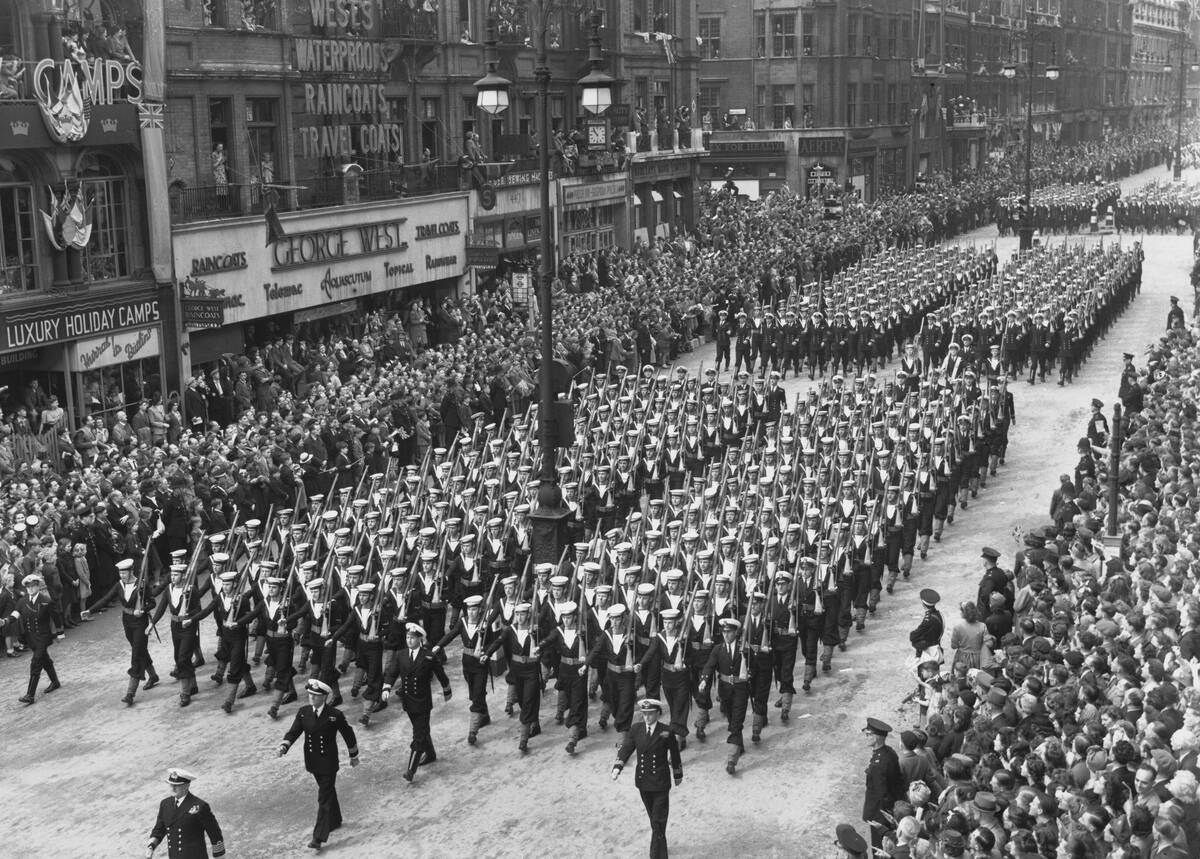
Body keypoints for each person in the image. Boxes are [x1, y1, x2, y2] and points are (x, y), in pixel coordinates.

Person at [277, 678, 360, 851]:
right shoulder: (303, 712)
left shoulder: (334, 715)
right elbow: (294, 732)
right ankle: (335, 820)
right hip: (313, 761)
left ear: (324, 697)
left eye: (315, 695)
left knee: (323, 797)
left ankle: (318, 837)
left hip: (328, 762)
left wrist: (353, 755)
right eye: (310, 695)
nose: (312, 698)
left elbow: (348, 733)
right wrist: (284, 745)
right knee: (327, 793)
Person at [612, 698, 683, 859]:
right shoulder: (636, 729)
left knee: (658, 821)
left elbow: (675, 752)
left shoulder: (666, 731)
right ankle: (659, 844)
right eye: (644, 714)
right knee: (655, 820)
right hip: (643, 783)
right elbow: (627, 748)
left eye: (650, 714)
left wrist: (677, 773)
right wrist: (618, 766)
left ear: (658, 713)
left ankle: (658, 855)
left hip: (660, 783)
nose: (647, 717)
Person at [381, 621, 451, 782]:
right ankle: (431, 754)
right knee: (421, 729)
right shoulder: (401, 655)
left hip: (422, 701)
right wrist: (386, 688)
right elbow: (392, 672)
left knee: (418, 735)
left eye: (413, 638)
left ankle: (410, 770)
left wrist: (446, 689)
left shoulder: (428, 656)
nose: (409, 640)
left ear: (420, 639)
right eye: (407, 637)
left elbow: (440, 673)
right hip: (408, 700)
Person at [145, 768, 225, 859]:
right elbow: (159, 830)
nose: (173, 788)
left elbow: (215, 834)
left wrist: (220, 856)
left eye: (177, 785)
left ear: (186, 786)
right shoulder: (165, 804)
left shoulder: (200, 806)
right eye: (171, 784)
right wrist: (151, 846)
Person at [11, 572, 60, 704]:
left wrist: (60, 632)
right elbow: (16, 613)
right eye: (28, 587)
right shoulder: (23, 601)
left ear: (38, 586)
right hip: (30, 637)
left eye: (33, 586)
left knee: (36, 663)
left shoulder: (46, 600)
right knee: (45, 660)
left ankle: (30, 695)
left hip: (43, 636)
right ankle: (55, 682)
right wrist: (5, 621)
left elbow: (56, 616)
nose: (30, 589)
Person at [862, 716, 903, 850]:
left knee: (879, 847)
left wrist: (884, 814)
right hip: (891, 806)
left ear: (876, 737)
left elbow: (881, 793)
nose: (866, 737)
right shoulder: (889, 752)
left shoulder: (877, 765)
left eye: (868, 734)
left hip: (879, 813)